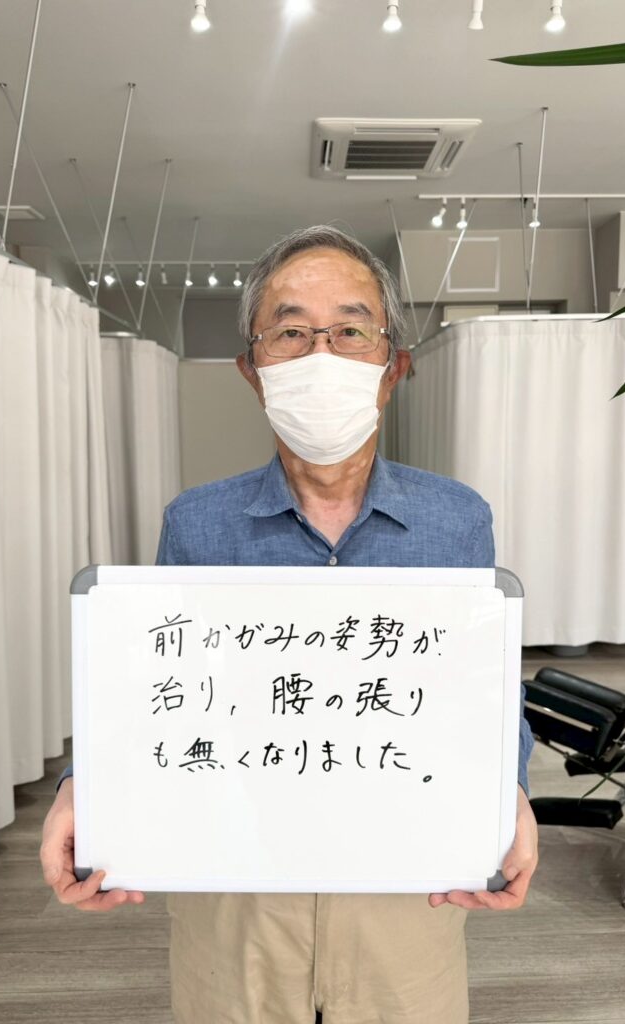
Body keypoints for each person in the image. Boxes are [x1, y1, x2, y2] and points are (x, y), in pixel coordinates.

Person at [41, 225, 538, 1024]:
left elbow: (484, 686)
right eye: (291, 332)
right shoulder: (198, 523)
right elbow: (149, 685)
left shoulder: (456, 520)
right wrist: (82, 788)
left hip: (404, 870)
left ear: (392, 366)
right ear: (253, 369)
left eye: (351, 330)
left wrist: (508, 791)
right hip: (237, 875)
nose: (321, 355)